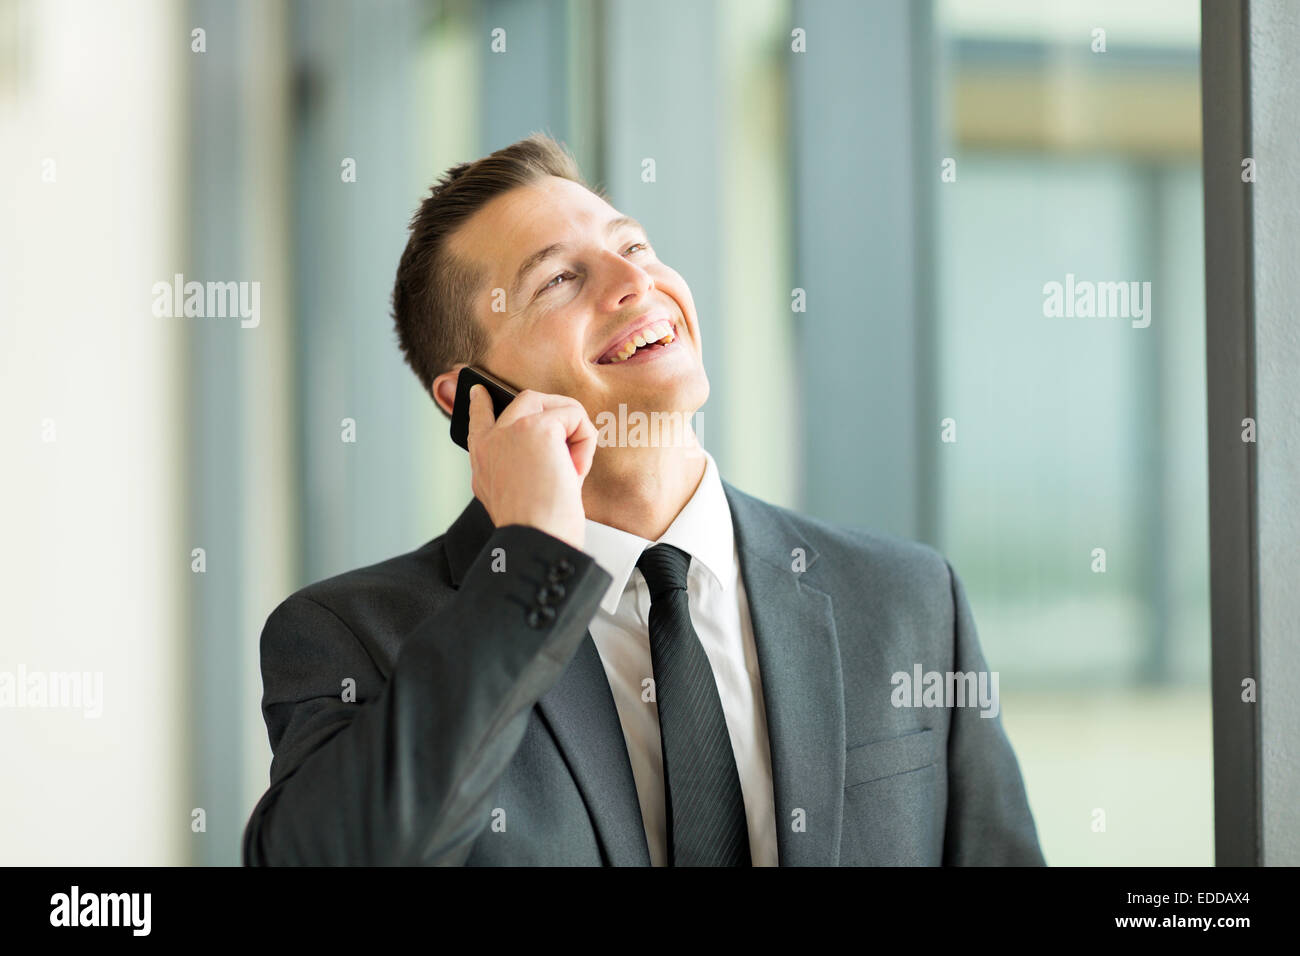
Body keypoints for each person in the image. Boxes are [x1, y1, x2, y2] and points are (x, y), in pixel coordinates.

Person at [241, 133, 1046, 866]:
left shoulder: (906, 598)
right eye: (558, 279)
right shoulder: (351, 637)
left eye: (634, 245)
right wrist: (527, 573)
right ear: (471, 402)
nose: (636, 283)